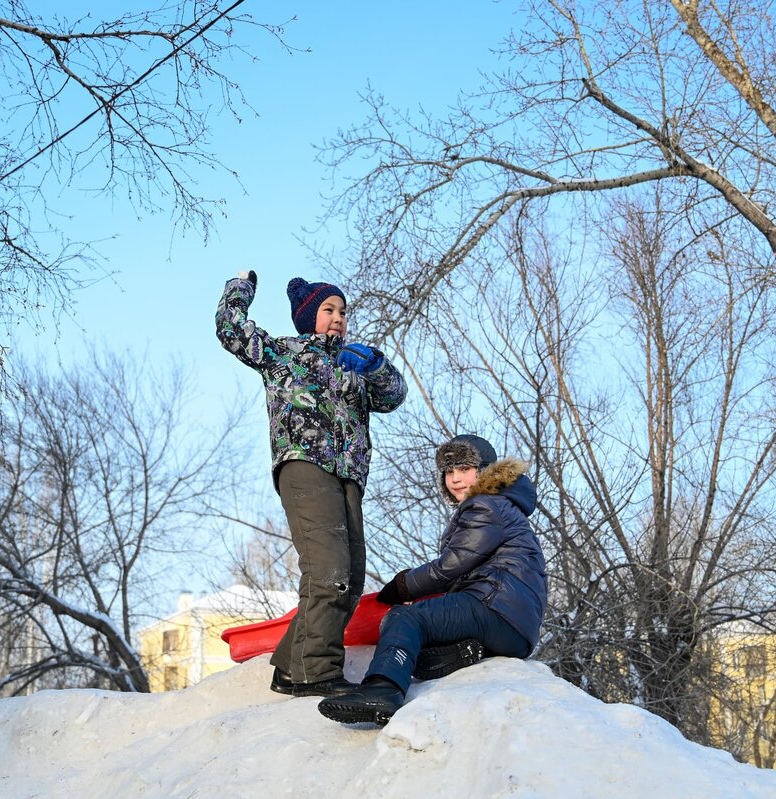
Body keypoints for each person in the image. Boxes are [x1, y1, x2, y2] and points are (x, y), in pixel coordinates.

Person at [215, 270, 407, 697]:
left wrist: (374, 365)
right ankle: (317, 672)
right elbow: (230, 328)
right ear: (307, 317)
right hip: (304, 464)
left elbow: (393, 396)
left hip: (349, 476)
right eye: (328, 310)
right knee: (328, 571)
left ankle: (289, 666)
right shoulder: (286, 353)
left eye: (342, 310)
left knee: (351, 577)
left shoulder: (353, 366)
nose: (338, 317)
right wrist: (241, 287)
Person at [318, 433, 546, 725]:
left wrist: (403, 586)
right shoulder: (504, 505)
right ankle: (458, 654)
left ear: (486, 469)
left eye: (464, 468)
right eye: (449, 471)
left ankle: (382, 689)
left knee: (406, 619)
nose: (455, 479)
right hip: (515, 629)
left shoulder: (487, 505)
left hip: (494, 606)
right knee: (425, 633)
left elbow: (451, 566)